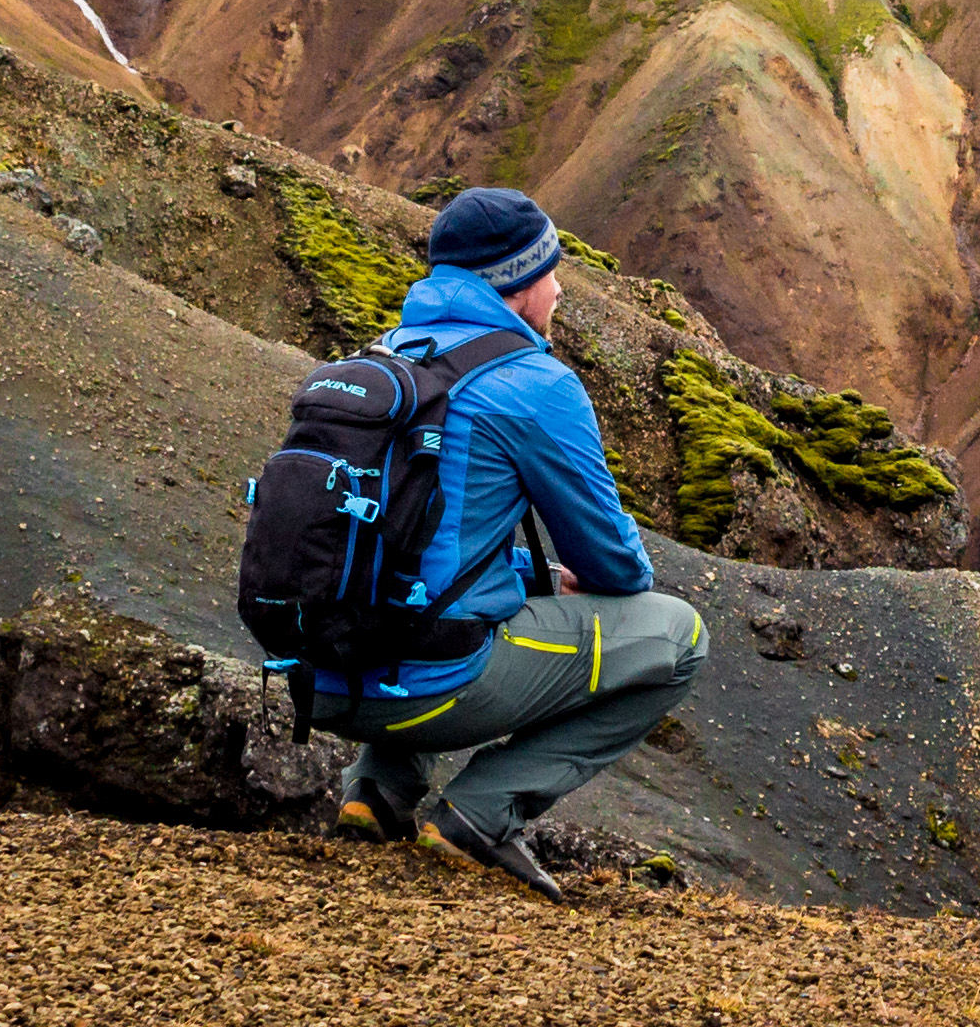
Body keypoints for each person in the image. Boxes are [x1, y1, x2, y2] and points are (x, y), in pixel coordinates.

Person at [295, 187, 707, 899]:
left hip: (324, 678)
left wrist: (527, 568)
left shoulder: (381, 361)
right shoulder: (533, 384)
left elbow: (404, 544)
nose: (559, 288)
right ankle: (481, 814)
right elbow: (613, 563)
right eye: (551, 271)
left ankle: (374, 790)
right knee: (678, 637)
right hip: (433, 690)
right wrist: (571, 574)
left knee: (418, 597)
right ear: (518, 285)